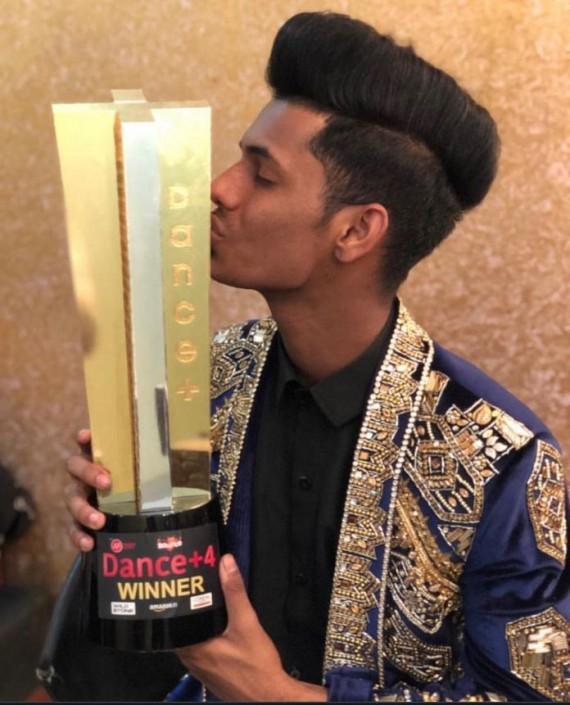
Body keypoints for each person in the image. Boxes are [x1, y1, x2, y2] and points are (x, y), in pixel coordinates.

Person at [65, 11, 569, 703]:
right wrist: (119, 526)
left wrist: (273, 694)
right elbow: (154, 635)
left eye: (261, 173)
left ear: (356, 230)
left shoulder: (497, 458)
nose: (220, 187)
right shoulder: (200, 384)